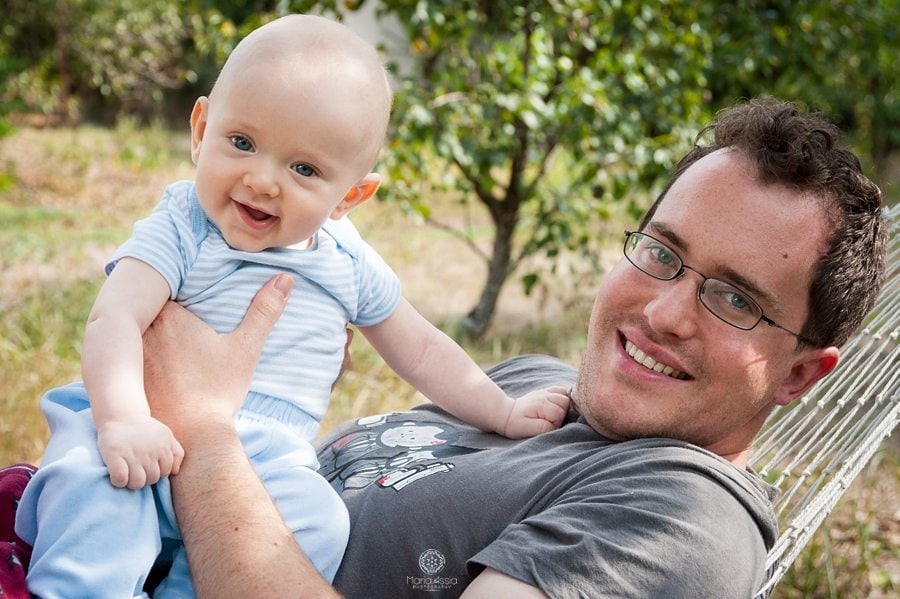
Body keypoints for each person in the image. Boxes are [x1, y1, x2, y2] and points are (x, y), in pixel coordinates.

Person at [129, 97, 887, 598]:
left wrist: (203, 429)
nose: (664, 312)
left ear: (799, 375)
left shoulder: (686, 521)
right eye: (661, 251)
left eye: (734, 298)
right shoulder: (535, 387)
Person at [13, 14, 568, 598]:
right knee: (93, 490)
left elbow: (424, 349)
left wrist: (502, 412)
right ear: (201, 129)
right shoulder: (183, 225)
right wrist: (123, 418)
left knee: (318, 526)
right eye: (242, 142)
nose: (262, 180)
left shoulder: (348, 262)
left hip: (265, 461)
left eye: (304, 169)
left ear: (349, 197)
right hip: (141, 419)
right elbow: (115, 317)